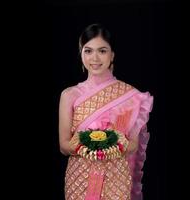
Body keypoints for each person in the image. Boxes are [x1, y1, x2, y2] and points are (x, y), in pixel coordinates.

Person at [59, 23, 154, 200]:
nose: (94, 58)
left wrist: (111, 146)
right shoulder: (69, 95)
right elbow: (64, 145)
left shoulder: (130, 96)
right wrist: (91, 145)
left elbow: (133, 144)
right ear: (81, 54)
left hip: (116, 178)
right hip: (79, 177)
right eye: (88, 51)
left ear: (112, 55)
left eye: (102, 51)